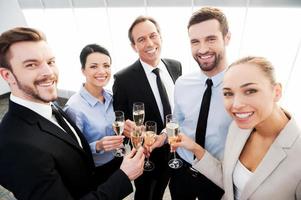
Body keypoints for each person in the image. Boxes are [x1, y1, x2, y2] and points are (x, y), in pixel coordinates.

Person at [0, 27, 145, 200]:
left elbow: (74, 150)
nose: (48, 72)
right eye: (31, 64)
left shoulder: (50, 105)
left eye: (51, 62)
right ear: (7, 75)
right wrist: (123, 176)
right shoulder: (14, 145)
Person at [172, 56, 301, 200]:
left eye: (250, 91)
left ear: (276, 92)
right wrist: (195, 148)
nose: (236, 104)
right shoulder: (237, 128)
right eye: (228, 93)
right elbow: (229, 180)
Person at [151, 7, 233, 199]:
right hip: (181, 171)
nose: (202, 49)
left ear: (227, 38)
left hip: (218, 177)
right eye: (195, 41)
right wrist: (162, 136)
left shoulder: (240, 87)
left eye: (211, 39)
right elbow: (176, 122)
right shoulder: (182, 83)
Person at [113, 16, 182, 200]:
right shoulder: (123, 79)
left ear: (161, 36)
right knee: (148, 196)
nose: (150, 43)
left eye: (153, 36)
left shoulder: (175, 66)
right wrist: (129, 131)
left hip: (178, 148)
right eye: (141, 39)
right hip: (149, 157)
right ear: (133, 46)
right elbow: (120, 119)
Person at [64, 44, 132, 185]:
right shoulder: (74, 108)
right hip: (95, 169)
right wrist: (98, 146)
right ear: (83, 70)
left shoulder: (112, 97)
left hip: (118, 159)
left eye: (106, 65)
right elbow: (71, 151)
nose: (102, 71)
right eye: (94, 66)